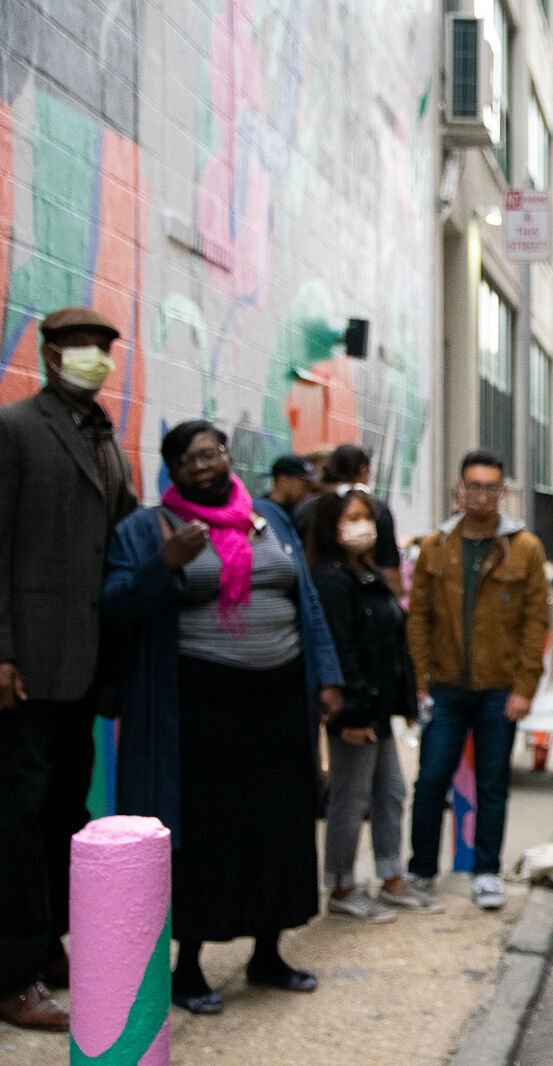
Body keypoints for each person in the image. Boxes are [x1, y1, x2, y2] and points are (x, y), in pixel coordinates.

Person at [101, 420, 345, 1014]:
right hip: (199, 714)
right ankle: (189, 967)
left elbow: (303, 598)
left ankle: (269, 952)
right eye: (191, 459)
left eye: (213, 452)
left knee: (279, 828)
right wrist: (164, 565)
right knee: (205, 837)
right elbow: (112, 607)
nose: (206, 465)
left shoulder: (270, 517)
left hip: (280, 704)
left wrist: (328, 675)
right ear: (173, 471)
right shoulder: (148, 528)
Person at [0, 307, 137, 1031]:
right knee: (16, 816)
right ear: (52, 354)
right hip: (28, 661)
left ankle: (49, 945)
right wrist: (2, 650)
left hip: (84, 663)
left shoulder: (106, 438)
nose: (93, 357)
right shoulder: (17, 427)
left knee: (65, 812)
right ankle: (14, 975)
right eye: (80, 346)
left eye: (103, 348)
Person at [406, 450, 550, 911]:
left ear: (502, 492)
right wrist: (419, 681)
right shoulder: (435, 547)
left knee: (492, 783)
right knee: (430, 781)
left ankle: (487, 872)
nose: (482, 496)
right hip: (445, 688)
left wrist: (525, 687)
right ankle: (421, 871)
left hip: (499, 690)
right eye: (474, 486)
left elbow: (535, 623)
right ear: (459, 490)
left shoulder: (524, 548)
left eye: (492, 487)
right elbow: (419, 618)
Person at [305, 488, 439, 922]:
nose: (362, 525)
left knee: (391, 792)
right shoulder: (330, 579)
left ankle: (391, 877)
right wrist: (352, 713)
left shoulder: (368, 574)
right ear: (330, 524)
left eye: (367, 515)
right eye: (351, 516)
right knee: (350, 798)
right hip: (355, 710)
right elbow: (341, 648)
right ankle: (342, 886)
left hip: (380, 707)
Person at [302, 443, 404, 598]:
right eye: (354, 518)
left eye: (367, 517)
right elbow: (390, 569)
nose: (363, 525)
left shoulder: (304, 508)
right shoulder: (376, 508)